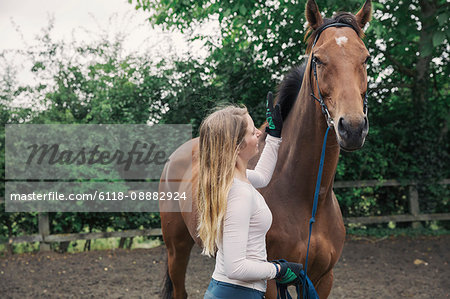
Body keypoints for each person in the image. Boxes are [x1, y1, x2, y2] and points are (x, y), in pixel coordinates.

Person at [197, 93, 303, 299]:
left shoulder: (235, 178)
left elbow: (263, 177)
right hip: (237, 293)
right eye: (252, 131)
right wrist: (278, 270)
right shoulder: (240, 194)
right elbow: (235, 268)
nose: (258, 133)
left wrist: (274, 135)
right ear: (236, 147)